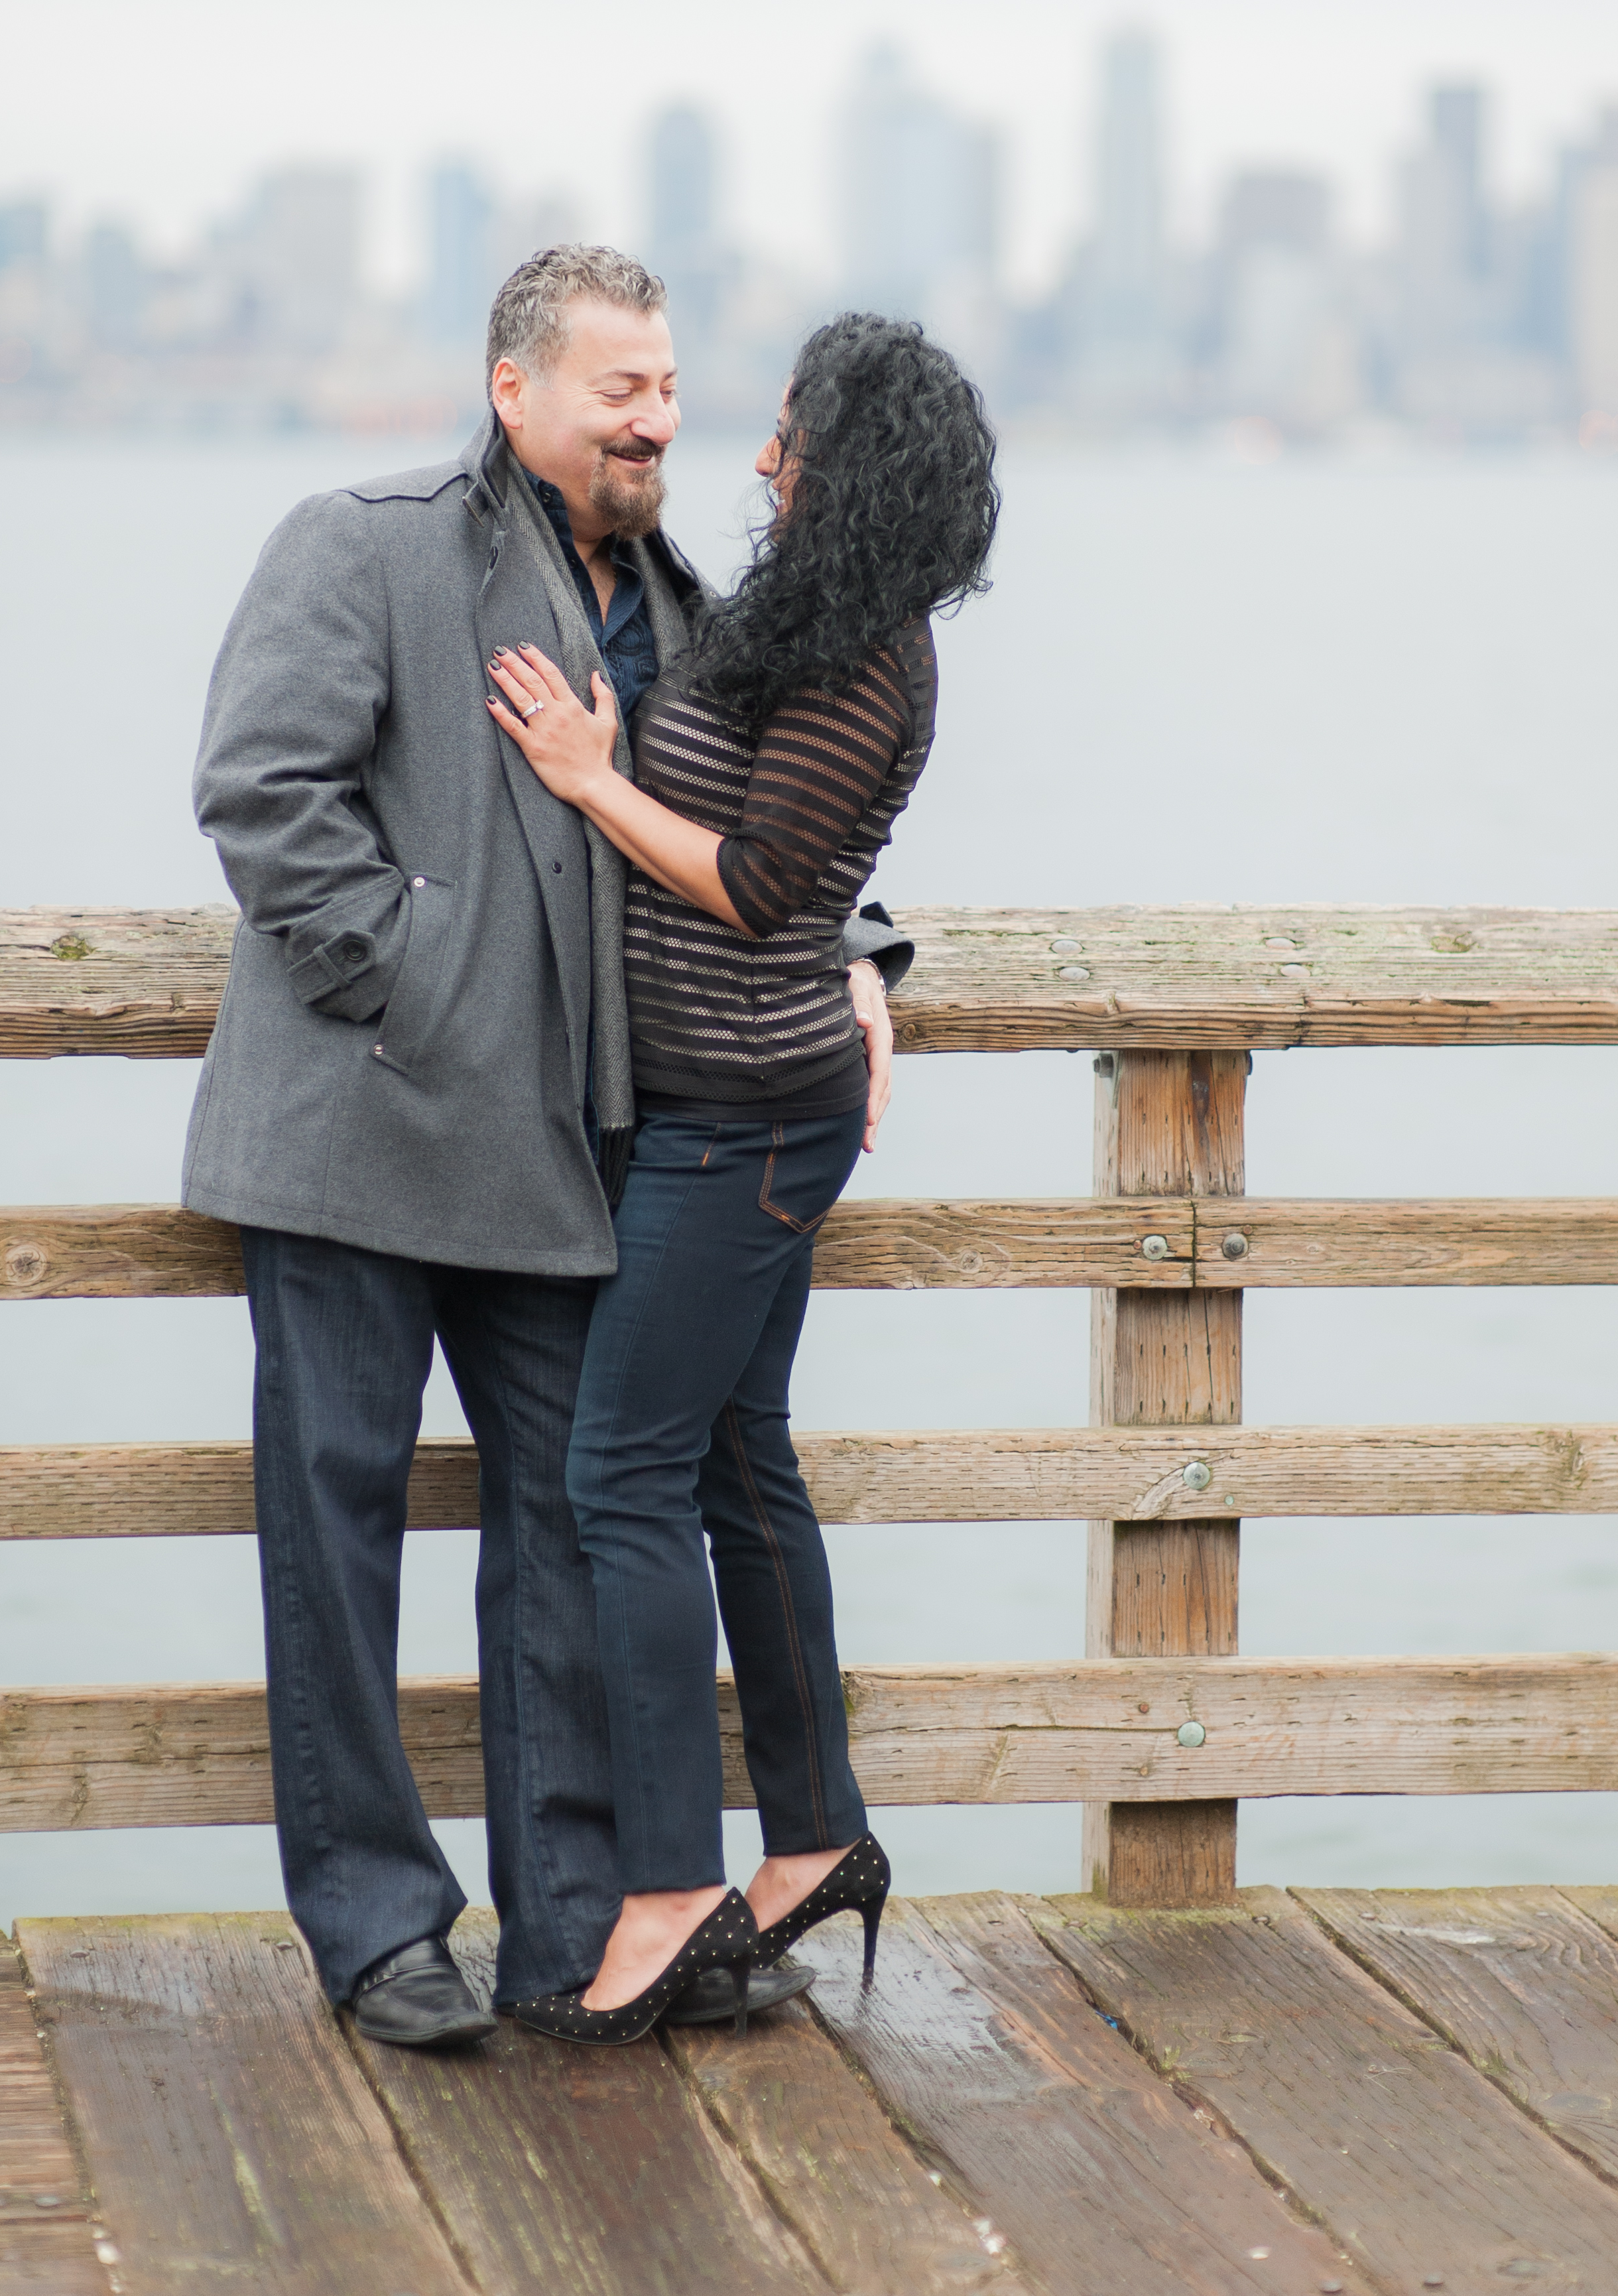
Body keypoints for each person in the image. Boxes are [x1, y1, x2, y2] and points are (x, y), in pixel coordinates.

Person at [184, 247, 906, 2047]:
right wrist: (419, 981)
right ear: (516, 390)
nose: (658, 420)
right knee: (335, 1537)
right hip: (354, 1131)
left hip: (563, 1161)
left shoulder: (687, 603)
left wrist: (871, 960)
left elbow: (772, 828)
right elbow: (262, 791)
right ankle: (375, 1930)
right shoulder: (363, 539)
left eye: (669, 388)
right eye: (621, 391)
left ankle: (579, 1932)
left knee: (575, 1534)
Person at [478, 312, 999, 2044]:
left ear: (856, 461)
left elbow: (765, 882)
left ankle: (665, 1892)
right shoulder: (798, 620)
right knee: (737, 1468)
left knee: (614, 1473)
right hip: (735, 1111)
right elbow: (816, 877)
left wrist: (581, 775)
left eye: (790, 432)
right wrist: (871, 955)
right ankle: (817, 1838)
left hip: (741, 1131)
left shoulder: (874, 657)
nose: (759, 454)